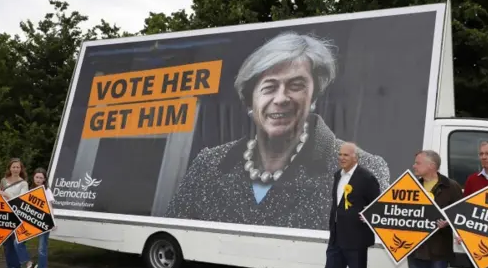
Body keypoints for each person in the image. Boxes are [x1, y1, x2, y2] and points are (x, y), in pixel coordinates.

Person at [165, 31, 390, 229]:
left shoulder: (364, 169)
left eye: (296, 86)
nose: (281, 98)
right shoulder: (208, 166)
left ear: (314, 95)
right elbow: (176, 229)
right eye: (269, 87)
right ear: (250, 99)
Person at [295, 142, 381, 268]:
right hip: (336, 236)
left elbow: (378, 205)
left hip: (356, 239)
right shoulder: (338, 176)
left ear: (355, 157)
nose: (342, 158)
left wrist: (368, 216)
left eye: (346, 155)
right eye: (340, 154)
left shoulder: (366, 178)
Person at [0, 158, 30, 268]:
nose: (16, 169)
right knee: (7, 244)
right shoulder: (3, 181)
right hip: (5, 214)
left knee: (16, 242)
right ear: (10, 168)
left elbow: (22, 200)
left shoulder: (23, 183)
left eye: (18, 167)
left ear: (21, 169)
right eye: (14, 167)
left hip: (17, 216)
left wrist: (7, 195)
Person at [25, 168, 55, 268]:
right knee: (20, 243)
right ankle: (29, 265)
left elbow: (50, 207)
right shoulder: (29, 189)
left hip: (44, 222)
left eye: (41, 178)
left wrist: (51, 221)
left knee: (42, 248)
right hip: (31, 221)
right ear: (33, 177)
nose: (38, 179)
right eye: (37, 177)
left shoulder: (47, 190)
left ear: (44, 179)